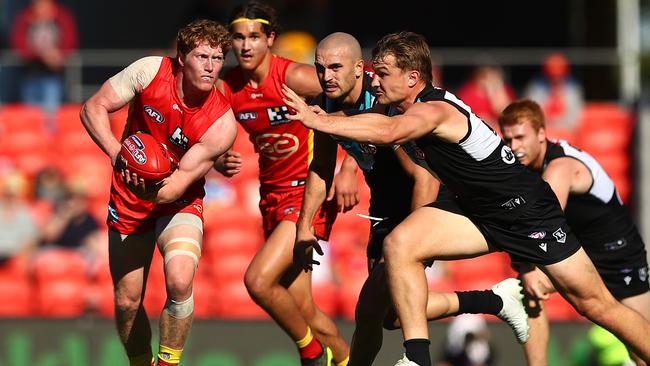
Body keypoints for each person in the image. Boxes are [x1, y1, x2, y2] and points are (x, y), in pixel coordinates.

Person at [282, 31, 650, 366]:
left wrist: (319, 122)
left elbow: (390, 131)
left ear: (412, 78)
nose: (373, 80)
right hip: (476, 209)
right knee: (400, 244)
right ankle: (417, 358)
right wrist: (342, 153)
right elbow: (370, 125)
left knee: (595, 305)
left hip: (527, 211)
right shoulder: (395, 104)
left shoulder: (434, 109)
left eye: (382, 73)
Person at [294, 32, 528, 366]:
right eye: (320, 68)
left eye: (335, 67)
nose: (326, 76)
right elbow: (320, 165)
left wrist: (415, 242)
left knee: (369, 310)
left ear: (361, 69)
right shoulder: (326, 104)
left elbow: (424, 175)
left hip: (418, 206)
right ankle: (494, 301)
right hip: (384, 210)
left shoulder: (388, 103)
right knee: (392, 316)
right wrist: (305, 226)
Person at [80, 19, 237, 366]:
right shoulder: (151, 70)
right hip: (128, 193)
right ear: (181, 57)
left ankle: (167, 363)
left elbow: (175, 186)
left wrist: (150, 186)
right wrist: (118, 155)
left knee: (180, 280)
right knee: (126, 302)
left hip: (177, 200)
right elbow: (93, 107)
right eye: (201, 56)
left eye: (217, 58)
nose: (211, 66)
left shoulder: (222, 124)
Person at [214, 2, 350, 365]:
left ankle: (310, 353)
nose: (245, 46)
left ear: (270, 38)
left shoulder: (296, 78)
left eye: (254, 37)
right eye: (238, 38)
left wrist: (349, 166)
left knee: (258, 281)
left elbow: (360, 102)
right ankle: (345, 358)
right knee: (302, 308)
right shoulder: (229, 88)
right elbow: (203, 131)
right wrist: (217, 157)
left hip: (306, 194)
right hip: (270, 197)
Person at [498, 99, 650, 366]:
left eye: (521, 137)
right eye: (508, 139)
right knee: (526, 289)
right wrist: (526, 267)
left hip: (619, 256)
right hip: (583, 255)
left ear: (542, 133)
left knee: (640, 350)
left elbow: (539, 223)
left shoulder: (561, 166)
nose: (514, 147)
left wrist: (527, 265)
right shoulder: (524, 168)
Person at [10, 0, 78, 118]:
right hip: (29, 75)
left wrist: (59, 55)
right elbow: (18, 45)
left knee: (51, 116)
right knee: (30, 118)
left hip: (53, 76)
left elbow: (70, 42)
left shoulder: (61, 15)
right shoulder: (25, 16)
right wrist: (41, 54)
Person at [523, 52, 584, 131]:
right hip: (542, 129)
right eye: (552, 76)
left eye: (559, 76)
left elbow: (574, 119)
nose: (555, 79)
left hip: (566, 130)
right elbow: (532, 114)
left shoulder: (573, 88)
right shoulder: (537, 87)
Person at [456, 63, 515, 131]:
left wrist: (496, 89)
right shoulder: (468, 91)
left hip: (498, 132)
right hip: (476, 131)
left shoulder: (504, 90)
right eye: (483, 74)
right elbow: (462, 117)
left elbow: (506, 114)